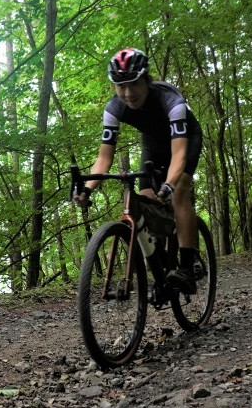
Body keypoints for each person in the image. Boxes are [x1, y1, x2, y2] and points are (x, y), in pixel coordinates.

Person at [72, 48, 204, 291]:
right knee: (145, 201)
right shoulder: (114, 109)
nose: (127, 93)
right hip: (153, 144)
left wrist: (170, 184)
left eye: (133, 84)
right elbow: (104, 158)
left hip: (185, 141)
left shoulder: (171, 102)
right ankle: (162, 261)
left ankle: (187, 265)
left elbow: (179, 154)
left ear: (147, 80)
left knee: (180, 191)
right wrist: (87, 188)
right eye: (120, 86)